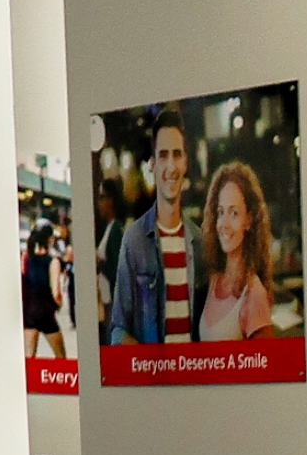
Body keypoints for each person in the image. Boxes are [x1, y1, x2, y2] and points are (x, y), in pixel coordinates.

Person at [108, 108, 202, 345]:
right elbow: (117, 330)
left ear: (186, 162)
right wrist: (149, 368)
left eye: (177, 154)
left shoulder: (200, 242)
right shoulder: (135, 239)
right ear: (152, 164)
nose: (170, 166)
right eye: (163, 155)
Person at [196, 161, 277, 344]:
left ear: (248, 220)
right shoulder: (213, 280)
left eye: (233, 213)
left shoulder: (253, 294)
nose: (223, 224)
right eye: (220, 212)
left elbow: (264, 368)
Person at [20, 215, 64, 359]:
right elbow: (56, 292)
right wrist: (59, 304)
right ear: (49, 239)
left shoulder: (25, 257)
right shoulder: (53, 262)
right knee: (61, 357)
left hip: (29, 314)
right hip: (46, 314)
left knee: (29, 360)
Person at [93, 178, 125, 328]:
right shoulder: (109, 227)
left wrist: (100, 262)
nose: (99, 204)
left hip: (113, 302)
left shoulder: (116, 230)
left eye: (102, 198)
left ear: (111, 200)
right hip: (106, 301)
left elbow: (118, 270)